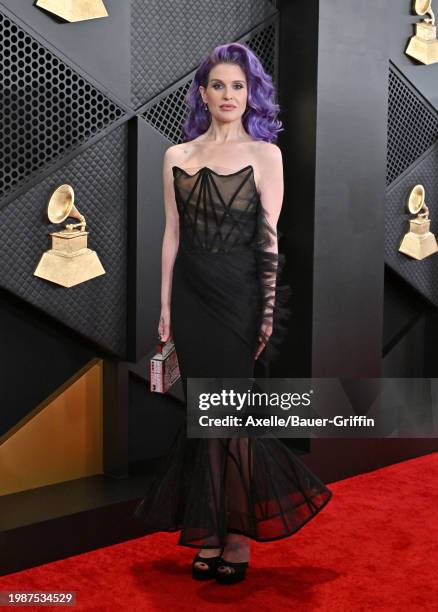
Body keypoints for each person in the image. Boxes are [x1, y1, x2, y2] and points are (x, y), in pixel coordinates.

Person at [133, 42, 333, 585]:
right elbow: (171, 235)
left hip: (240, 297)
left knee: (231, 419)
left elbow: (269, 236)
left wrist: (267, 309)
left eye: (238, 87)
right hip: (192, 300)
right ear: (203, 93)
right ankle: (213, 531)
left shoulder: (267, 155)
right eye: (218, 85)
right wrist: (165, 308)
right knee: (205, 420)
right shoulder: (177, 155)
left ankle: (239, 536)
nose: (228, 95)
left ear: (252, 96)